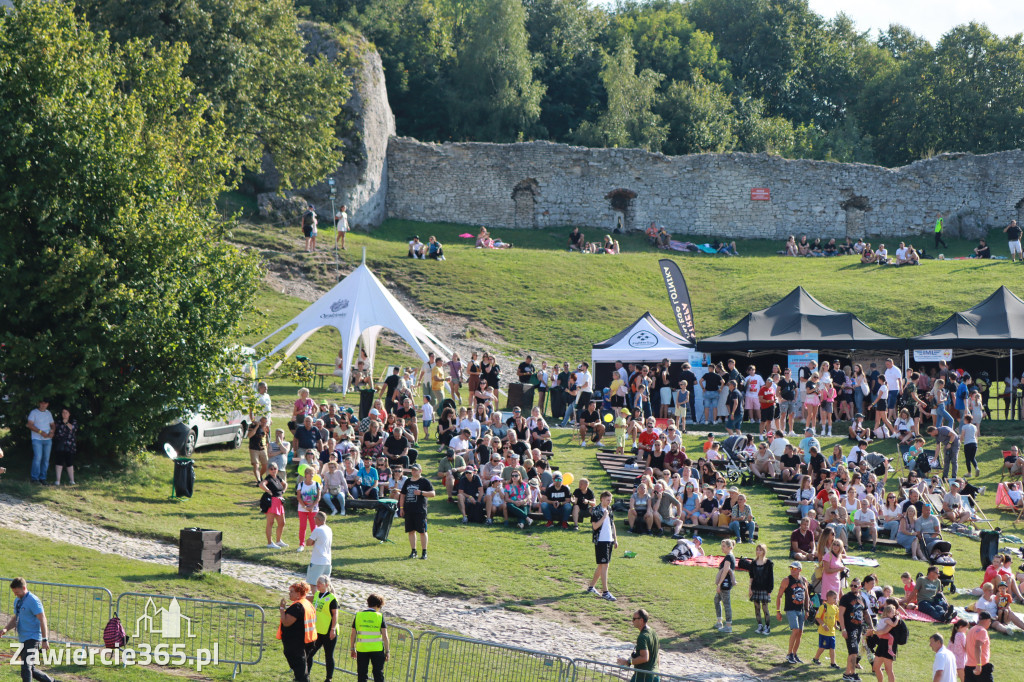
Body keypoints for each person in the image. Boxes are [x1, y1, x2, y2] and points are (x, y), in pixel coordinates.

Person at [0, 577, 54, 682]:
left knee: (26, 667)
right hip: (24, 638)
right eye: (14, 592)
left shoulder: (33, 601)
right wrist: (6, 629)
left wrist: (44, 639)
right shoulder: (18, 600)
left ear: (24, 588)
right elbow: (16, 617)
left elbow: (42, 619)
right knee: (30, 669)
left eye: (17, 592)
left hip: (33, 638)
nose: (15, 594)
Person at [279, 581, 316, 682]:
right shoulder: (308, 604)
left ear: (298, 594)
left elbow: (286, 622)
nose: (289, 593)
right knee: (303, 669)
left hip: (296, 644)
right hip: (307, 641)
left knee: (301, 673)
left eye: (292, 591)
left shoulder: (297, 606)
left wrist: (282, 609)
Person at [586, 491, 619, 602]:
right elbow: (595, 526)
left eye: (610, 500)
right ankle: (605, 592)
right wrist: (604, 517)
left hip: (609, 540)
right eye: (608, 500)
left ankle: (591, 587)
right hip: (601, 541)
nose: (609, 502)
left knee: (602, 565)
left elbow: (612, 524)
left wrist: (615, 539)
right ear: (602, 499)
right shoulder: (596, 510)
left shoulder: (609, 509)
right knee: (605, 565)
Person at [839, 577, 874, 682]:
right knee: (854, 652)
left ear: (860, 586)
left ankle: (847, 674)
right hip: (849, 628)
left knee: (852, 652)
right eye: (851, 585)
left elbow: (866, 614)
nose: (853, 587)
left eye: (855, 586)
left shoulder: (861, 598)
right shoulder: (846, 598)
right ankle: (853, 674)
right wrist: (843, 629)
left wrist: (871, 626)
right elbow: (840, 614)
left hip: (858, 628)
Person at [777, 561, 810, 664]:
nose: (792, 570)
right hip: (790, 609)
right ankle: (789, 653)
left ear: (800, 569)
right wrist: (778, 611)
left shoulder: (804, 580)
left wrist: (807, 609)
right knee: (795, 630)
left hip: (800, 609)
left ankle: (795, 654)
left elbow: (807, 596)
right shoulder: (786, 580)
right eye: (791, 568)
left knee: (800, 632)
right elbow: (779, 596)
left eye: (794, 568)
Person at [351, 594, 389, 682]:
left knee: (362, 674)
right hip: (377, 649)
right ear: (379, 605)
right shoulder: (379, 616)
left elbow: (353, 634)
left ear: (368, 603)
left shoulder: (359, 615)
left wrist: (352, 648)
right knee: (378, 674)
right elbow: (385, 636)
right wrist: (387, 651)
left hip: (362, 649)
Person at [399, 464, 435, 559]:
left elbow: (433, 493)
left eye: (416, 470)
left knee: (422, 531)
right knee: (411, 531)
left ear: (420, 471)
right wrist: (401, 508)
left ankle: (424, 552)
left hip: (420, 510)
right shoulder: (407, 481)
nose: (414, 472)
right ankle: (413, 551)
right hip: (409, 510)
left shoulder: (424, 481)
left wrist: (422, 493)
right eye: (413, 470)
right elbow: (402, 495)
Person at [307, 576, 339, 682]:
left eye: (320, 583)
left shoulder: (332, 598)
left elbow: (335, 615)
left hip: (329, 630)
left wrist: (333, 629)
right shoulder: (316, 594)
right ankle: (306, 675)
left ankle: (328, 678)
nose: (318, 584)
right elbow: (310, 599)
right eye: (317, 582)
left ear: (326, 584)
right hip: (318, 630)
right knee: (309, 653)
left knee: (328, 655)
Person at [617, 609, 659, 681]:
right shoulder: (653, 632)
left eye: (634, 619)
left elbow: (644, 658)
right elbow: (657, 655)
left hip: (643, 677)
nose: (632, 621)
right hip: (655, 675)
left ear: (641, 620)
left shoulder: (642, 637)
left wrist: (627, 662)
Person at [746, 543, 774, 635]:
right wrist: (750, 588)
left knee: (765, 608)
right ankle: (760, 625)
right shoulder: (753, 563)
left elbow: (771, 578)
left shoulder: (768, 563)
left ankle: (767, 626)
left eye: (760, 550)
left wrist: (770, 590)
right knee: (757, 608)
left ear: (764, 551)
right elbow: (751, 576)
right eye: (757, 550)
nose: (758, 552)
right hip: (755, 588)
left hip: (765, 589)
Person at [260, 463, 288, 548]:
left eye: (275, 468)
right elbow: (261, 484)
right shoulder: (268, 478)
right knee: (270, 522)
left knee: (282, 522)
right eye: (271, 469)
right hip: (272, 501)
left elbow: (285, 484)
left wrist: (283, 491)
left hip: (279, 501)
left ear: (277, 469)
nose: (273, 470)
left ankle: (278, 541)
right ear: (269, 470)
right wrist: (268, 491)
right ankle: (269, 543)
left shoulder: (278, 477)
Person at [27, 398, 54, 484]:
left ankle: (43, 478)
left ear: (47, 404)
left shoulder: (48, 413)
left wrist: (52, 432)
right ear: (39, 403)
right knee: (38, 457)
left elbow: (53, 425)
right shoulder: (34, 412)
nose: (43, 405)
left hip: (48, 439)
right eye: (42, 403)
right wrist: (40, 432)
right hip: (37, 438)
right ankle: (34, 478)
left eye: (45, 403)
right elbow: (30, 425)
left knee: (46, 459)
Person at [295, 466, 322, 551]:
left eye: (312, 474)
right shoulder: (301, 484)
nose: (311, 476)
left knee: (313, 526)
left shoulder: (317, 484)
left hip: (313, 509)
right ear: (305, 475)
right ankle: (301, 544)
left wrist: (312, 506)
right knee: (303, 526)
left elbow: (318, 497)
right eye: (310, 474)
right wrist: (305, 507)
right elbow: (299, 497)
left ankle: (315, 543)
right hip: (302, 509)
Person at [714, 539, 737, 634]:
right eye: (721, 545)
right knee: (716, 600)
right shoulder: (729, 557)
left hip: (725, 584)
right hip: (725, 583)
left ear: (729, 547)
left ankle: (728, 626)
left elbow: (726, 570)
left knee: (726, 604)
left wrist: (719, 584)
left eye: (724, 546)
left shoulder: (729, 557)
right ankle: (719, 622)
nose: (722, 547)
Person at [813, 590, 840, 668]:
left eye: (836, 598)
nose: (836, 600)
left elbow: (835, 617)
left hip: (832, 632)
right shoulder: (823, 607)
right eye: (834, 598)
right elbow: (817, 617)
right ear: (828, 598)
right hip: (824, 632)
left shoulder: (835, 608)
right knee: (822, 647)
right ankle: (816, 658)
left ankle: (833, 663)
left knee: (832, 648)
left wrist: (835, 625)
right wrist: (824, 625)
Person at [305, 512, 333, 585]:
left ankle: (316, 597)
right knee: (325, 585)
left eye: (315, 518)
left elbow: (308, 543)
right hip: (327, 561)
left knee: (313, 584)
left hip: (317, 561)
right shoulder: (329, 529)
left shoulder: (318, 530)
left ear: (318, 519)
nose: (314, 519)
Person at [52, 407, 78, 486]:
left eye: (66, 413)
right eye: (63, 412)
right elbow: (53, 430)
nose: (64, 414)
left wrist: (66, 422)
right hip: (60, 444)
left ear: (69, 414)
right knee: (59, 462)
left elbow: (73, 429)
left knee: (69, 462)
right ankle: (58, 480)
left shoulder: (73, 421)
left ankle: (72, 481)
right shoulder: (58, 421)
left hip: (70, 445)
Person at [964, 612, 992, 682]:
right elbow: (977, 646)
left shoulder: (971, 630)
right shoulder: (982, 631)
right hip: (981, 666)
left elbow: (966, 646)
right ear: (987, 620)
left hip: (969, 665)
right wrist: (978, 664)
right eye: (990, 621)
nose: (990, 623)